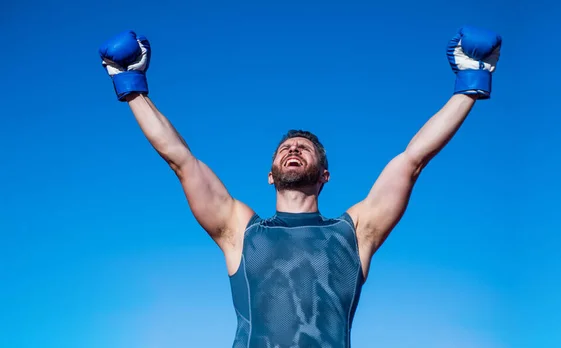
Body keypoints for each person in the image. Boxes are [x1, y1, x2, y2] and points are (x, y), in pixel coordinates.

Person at [99, 25, 502, 348]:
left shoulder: (354, 232)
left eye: (304, 148)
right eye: (285, 148)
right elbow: (181, 162)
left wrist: (471, 83)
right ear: (271, 174)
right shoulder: (240, 229)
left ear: (324, 174)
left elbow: (412, 161)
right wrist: (131, 86)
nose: (293, 149)